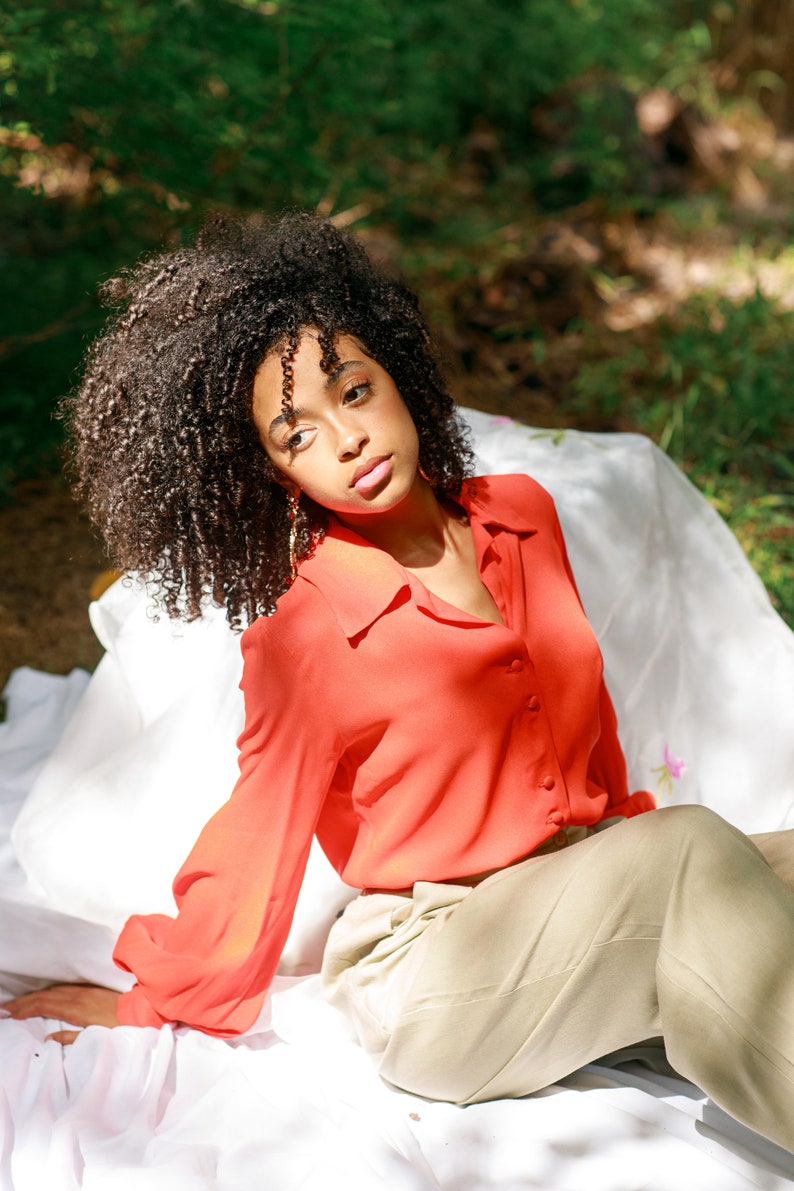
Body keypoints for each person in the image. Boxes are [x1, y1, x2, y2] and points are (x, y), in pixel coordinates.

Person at [5, 212, 794, 1152]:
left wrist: (626, 837)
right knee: (695, 855)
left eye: (354, 390)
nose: (346, 438)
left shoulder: (523, 519)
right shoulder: (306, 632)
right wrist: (141, 1004)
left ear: (400, 377)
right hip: (438, 969)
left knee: (728, 859)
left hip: (575, 891)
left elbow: (580, 725)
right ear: (277, 474)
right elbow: (253, 849)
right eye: (298, 434)